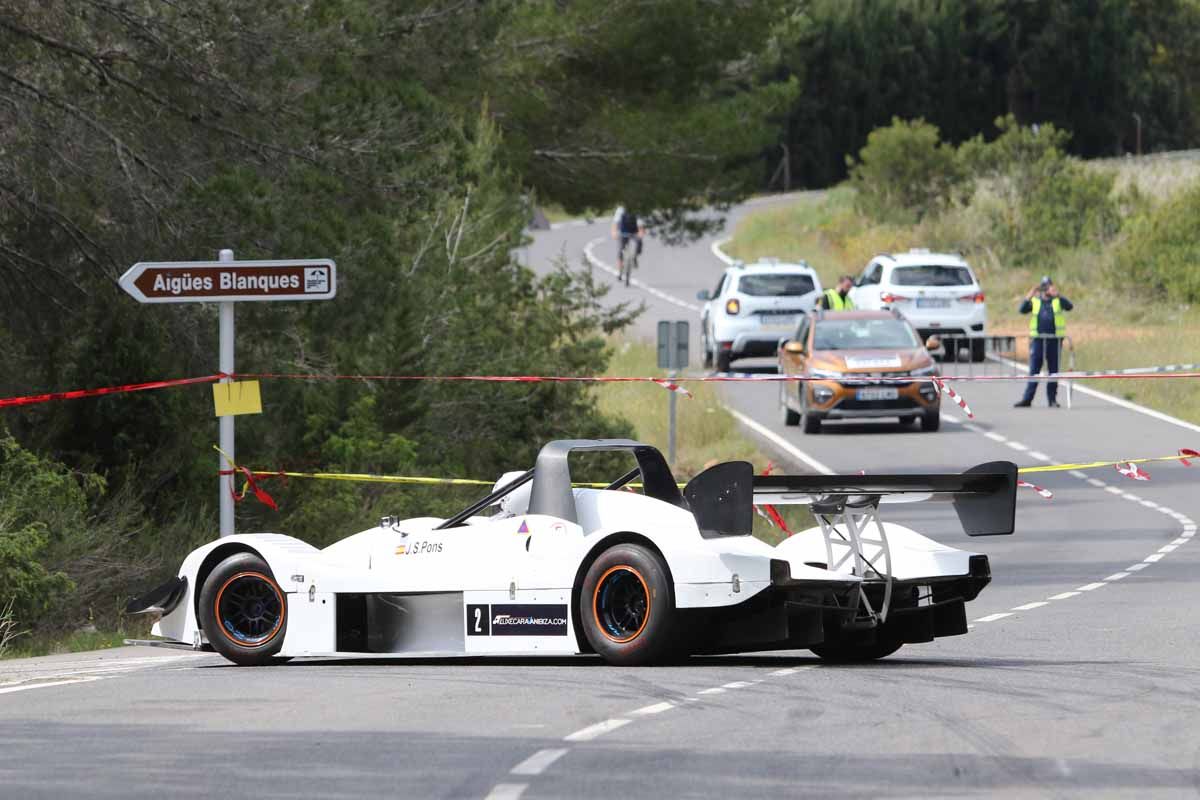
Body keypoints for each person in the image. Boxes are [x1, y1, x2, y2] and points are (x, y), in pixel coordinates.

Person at [1014, 276, 1073, 407]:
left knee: (1053, 372)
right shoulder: (1036, 301)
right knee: (1034, 371)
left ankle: (1052, 400)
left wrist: (1058, 295)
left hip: (1054, 341)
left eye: (1049, 286)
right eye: (1044, 287)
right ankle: (1027, 399)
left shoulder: (1057, 301)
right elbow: (1022, 309)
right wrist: (1030, 294)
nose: (1047, 289)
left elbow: (1069, 306)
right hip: (1038, 341)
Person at [611, 205, 645, 283]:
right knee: (621, 251)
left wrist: (641, 233)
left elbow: (640, 224)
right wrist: (614, 232)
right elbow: (615, 223)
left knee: (639, 242)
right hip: (623, 233)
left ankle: (635, 257)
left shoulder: (637, 209)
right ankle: (620, 271)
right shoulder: (621, 209)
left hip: (634, 232)